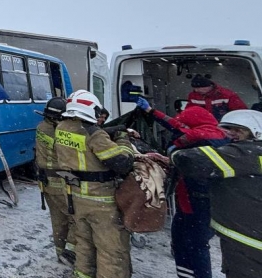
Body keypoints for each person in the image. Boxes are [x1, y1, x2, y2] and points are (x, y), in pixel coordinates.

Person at [136, 97, 229, 278]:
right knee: (184, 241)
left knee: (194, 244)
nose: (180, 127)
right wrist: (151, 111)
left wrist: (169, 158)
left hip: (196, 201)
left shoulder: (197, 137)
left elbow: (181, 155)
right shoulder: (215, 133)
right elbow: (176, 125)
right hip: (200, 200)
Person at [171, 109, 262, 278]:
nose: (232, 134)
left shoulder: (244, 153)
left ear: (256, 132)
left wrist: (173, 154)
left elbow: (191, 160)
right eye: (229, 129)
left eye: (239, 130)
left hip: (248, 241)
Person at [54, 90, 135, 278]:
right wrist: (123, 139)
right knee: (111, 248)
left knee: (84, 242)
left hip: (75, 196)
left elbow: (83, 140)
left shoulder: (62, 127)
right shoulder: (94, 134)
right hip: (100, 200)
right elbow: (123, 163)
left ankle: (83, 274)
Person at [34, 97, 76, 266]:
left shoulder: (41, 127)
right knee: (76, 217)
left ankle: (60, 252)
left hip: (45, 181)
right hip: (59, 182)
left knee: (58, 220)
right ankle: (70, 252)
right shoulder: (58, 132)